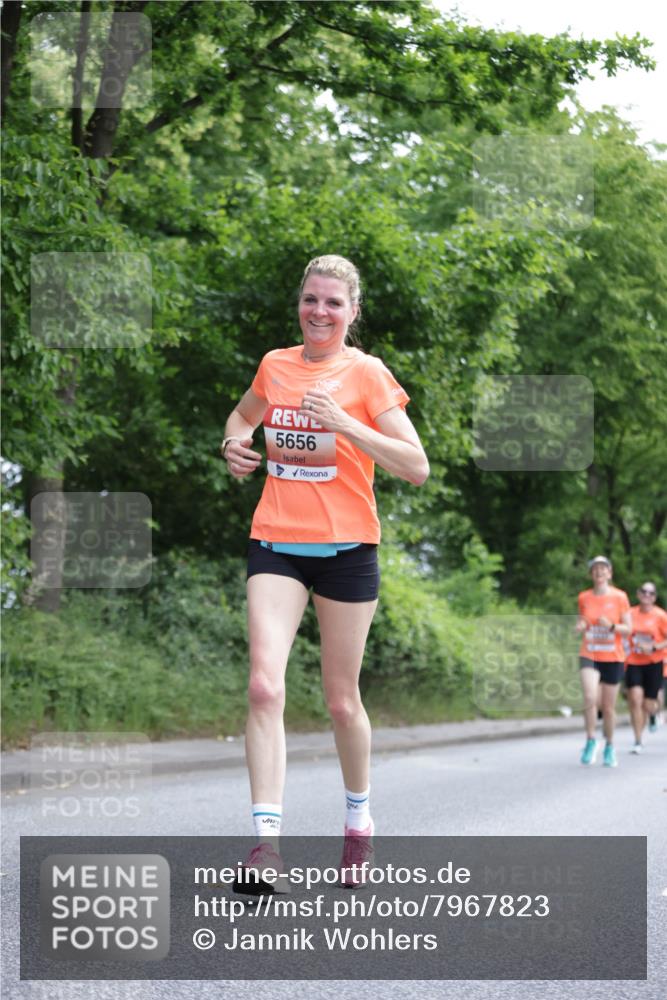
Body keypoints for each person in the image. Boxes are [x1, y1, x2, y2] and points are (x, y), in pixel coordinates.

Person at [220, 255, 429, 892]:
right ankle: (266, 848)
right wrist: (233, 445)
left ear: (352, 311)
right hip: (277, 541)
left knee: (341, 701)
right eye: (311, 299)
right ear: (300, 303)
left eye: (334, 303)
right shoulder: (275, 364)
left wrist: (346, 425)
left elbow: (416, 465)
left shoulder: (367, 375)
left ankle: (359, 822)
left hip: (347, 551)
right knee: (263, 687)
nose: (320, 312)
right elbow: (241, 417)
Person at [575, 556, 631, 767]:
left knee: (608, 707)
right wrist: (579, 626)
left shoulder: (620, 597)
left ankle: (609, 745)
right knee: (590, 697)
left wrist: (611, 627)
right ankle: (590, 740)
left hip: (612, 656)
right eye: (595, 569)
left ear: (610, 573)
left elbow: (628, 630)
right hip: (589, 653)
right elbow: (582, 620)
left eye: (603, 569)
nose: (599, 572)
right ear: (591, 574)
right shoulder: (584, 597)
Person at [624, 582, 667, 752]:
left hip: (653, 663)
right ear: (638, 594)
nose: (647, 596)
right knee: (635, 700)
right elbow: (623, 632)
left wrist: (654, 647)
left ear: (655, 597)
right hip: (633, 662)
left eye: (651, 593)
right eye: (644, 592)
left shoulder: (661, 616)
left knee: (648, 704)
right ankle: (637, 740)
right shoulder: (629, 614)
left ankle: (654, 714)